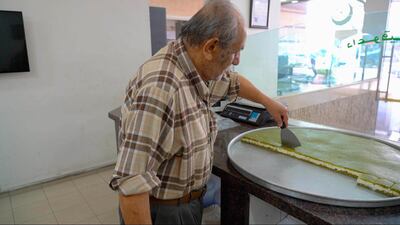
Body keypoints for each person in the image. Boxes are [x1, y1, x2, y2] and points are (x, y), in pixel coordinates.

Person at [109, 0, 288, 224]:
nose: (237, 61)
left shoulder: (193, 65)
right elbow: (132, 185)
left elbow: (232, 82)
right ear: (211, 47)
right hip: (163, 213)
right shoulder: (161, 89)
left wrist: (267, 102)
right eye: (235, 52)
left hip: (188, 203)